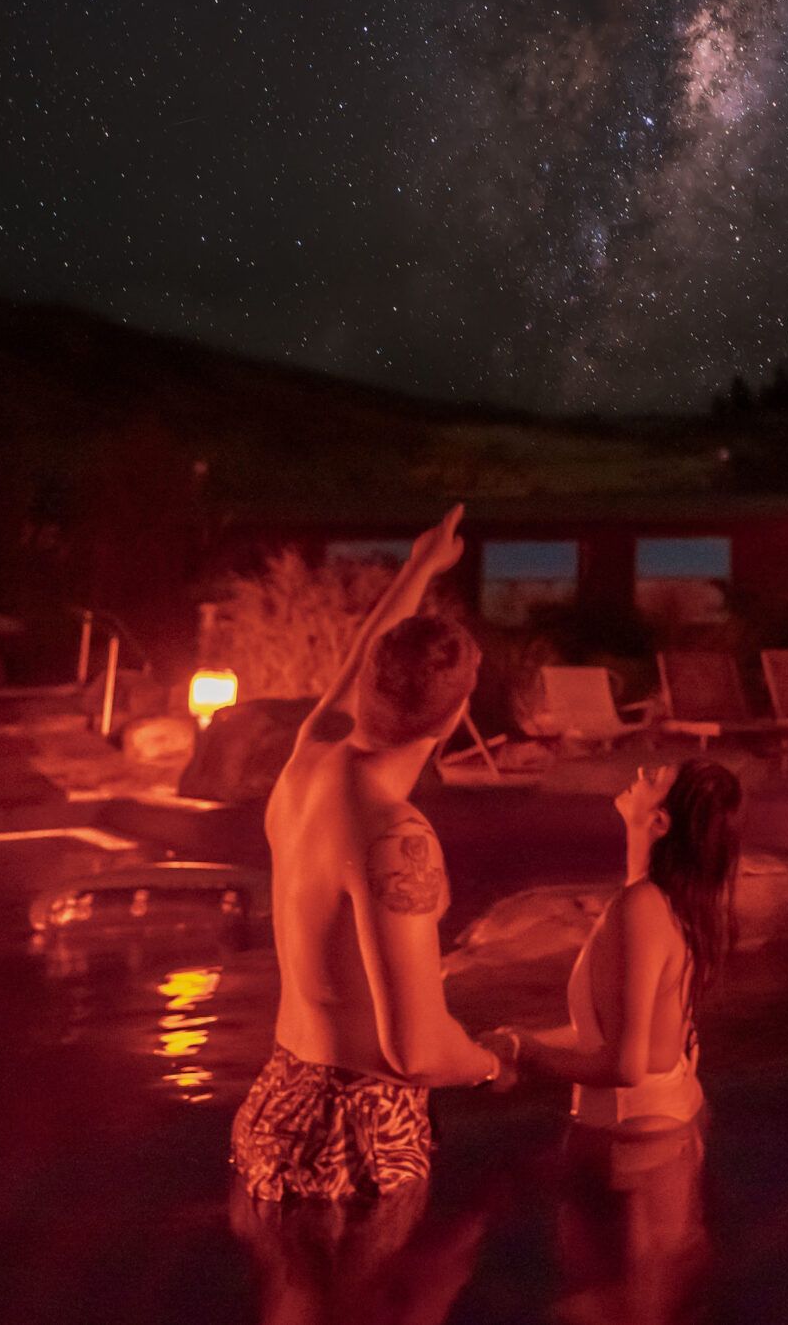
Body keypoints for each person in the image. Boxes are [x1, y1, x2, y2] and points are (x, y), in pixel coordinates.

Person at [230, 504, 518, 1207]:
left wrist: (420, 566)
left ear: (366, 689)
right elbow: (414, 1051)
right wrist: (494, 1065)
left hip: (277, 1101)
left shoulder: (308, 759)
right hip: (357, 1127)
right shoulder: (396, 836)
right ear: (454, 718)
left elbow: (367, 652)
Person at [488, 757, 745, 1133]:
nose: (640, 771)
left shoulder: (642, 906)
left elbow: (624, 1067)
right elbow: (605, 1033)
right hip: (659, 1124)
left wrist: (526, 1053)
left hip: (637, 1139)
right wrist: (517, 1039)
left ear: (659, 821)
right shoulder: (664, 900)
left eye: (653, 776)